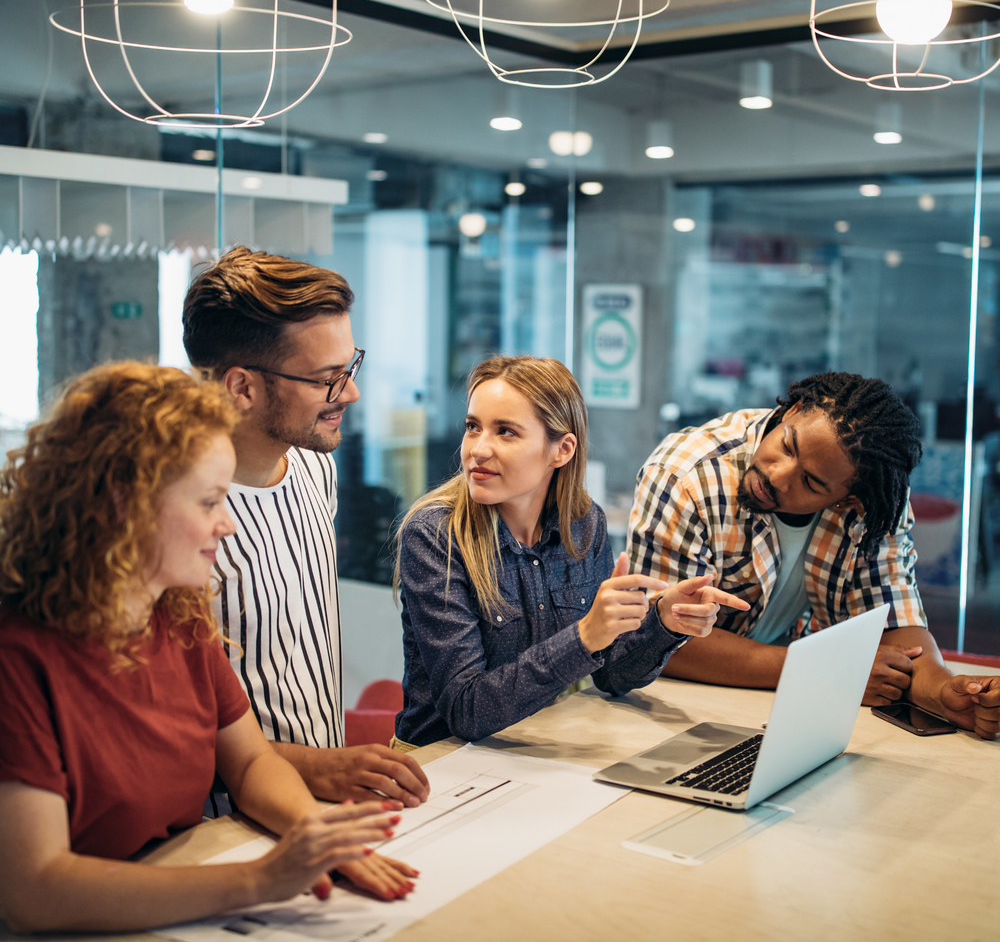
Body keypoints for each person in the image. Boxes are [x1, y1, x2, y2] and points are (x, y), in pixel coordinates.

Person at [0, 363, 400, 934]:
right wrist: (261, 880)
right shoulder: (20, 660)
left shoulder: (178, 614)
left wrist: (314, 836)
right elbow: (35, 890)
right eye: (209, 502)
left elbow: (252, 761)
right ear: (124, 502)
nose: (228, 525)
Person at [183, 247, 428, 901]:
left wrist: (335, 770)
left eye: (350, 366)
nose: (349, 391)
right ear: (241, 386)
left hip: (320, 809)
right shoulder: (176, 521)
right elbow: (182, 731)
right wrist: (321, 770)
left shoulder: (315, 464)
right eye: (326, 377)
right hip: (228, 836)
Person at [394, 355, 749, 747]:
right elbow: (467, 710)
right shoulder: (434, 536)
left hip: (535, 750)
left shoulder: (584, 525)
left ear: (561, 450)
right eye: (472, 427)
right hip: (440, 767)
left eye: (505, 432)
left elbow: (612, 675)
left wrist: (663, 622)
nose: (478, 449)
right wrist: (583, 636)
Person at [628, 371, 1000, 741]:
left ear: (848, 499)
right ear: (793, 410)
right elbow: (661, 642)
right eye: (788, 446)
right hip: (669, 711)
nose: (777, 475)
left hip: (780, 709)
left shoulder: (873, 504)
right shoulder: (685, 476)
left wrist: (946, 693)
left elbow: (894, 628)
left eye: (811, 482)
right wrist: (821, 669)